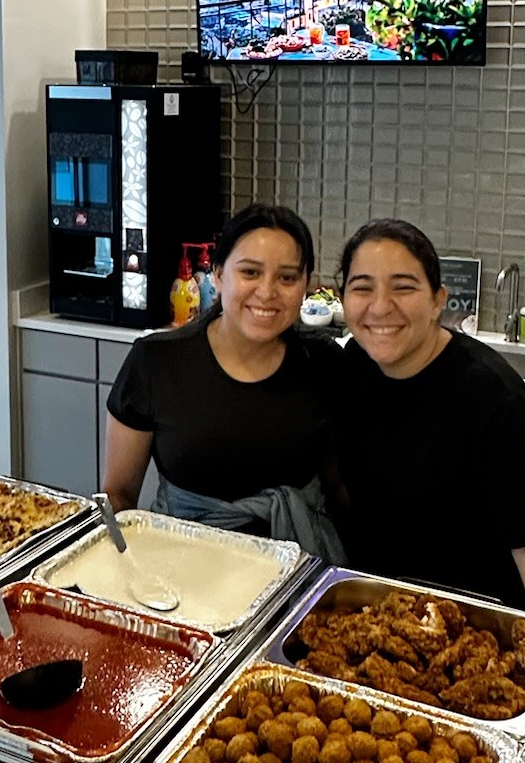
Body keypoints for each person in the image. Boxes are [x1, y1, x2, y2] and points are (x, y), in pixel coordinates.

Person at [333, 217, 525, 621]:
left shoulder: (494, 398)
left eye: (403, 287)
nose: (380, 306)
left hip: (474, 625)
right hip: (378, 613)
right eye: (362, 287)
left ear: (438, 300)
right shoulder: (356, 366)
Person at [103, 203, 345, 560]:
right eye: (250, 272)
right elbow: (119, 495)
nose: (267, 292)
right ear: (218, 274)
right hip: (179, 567)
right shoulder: (156, 361)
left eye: (287, 278)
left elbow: (341, 491)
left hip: (295, 569)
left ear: (305, 285)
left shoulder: (324, 364)